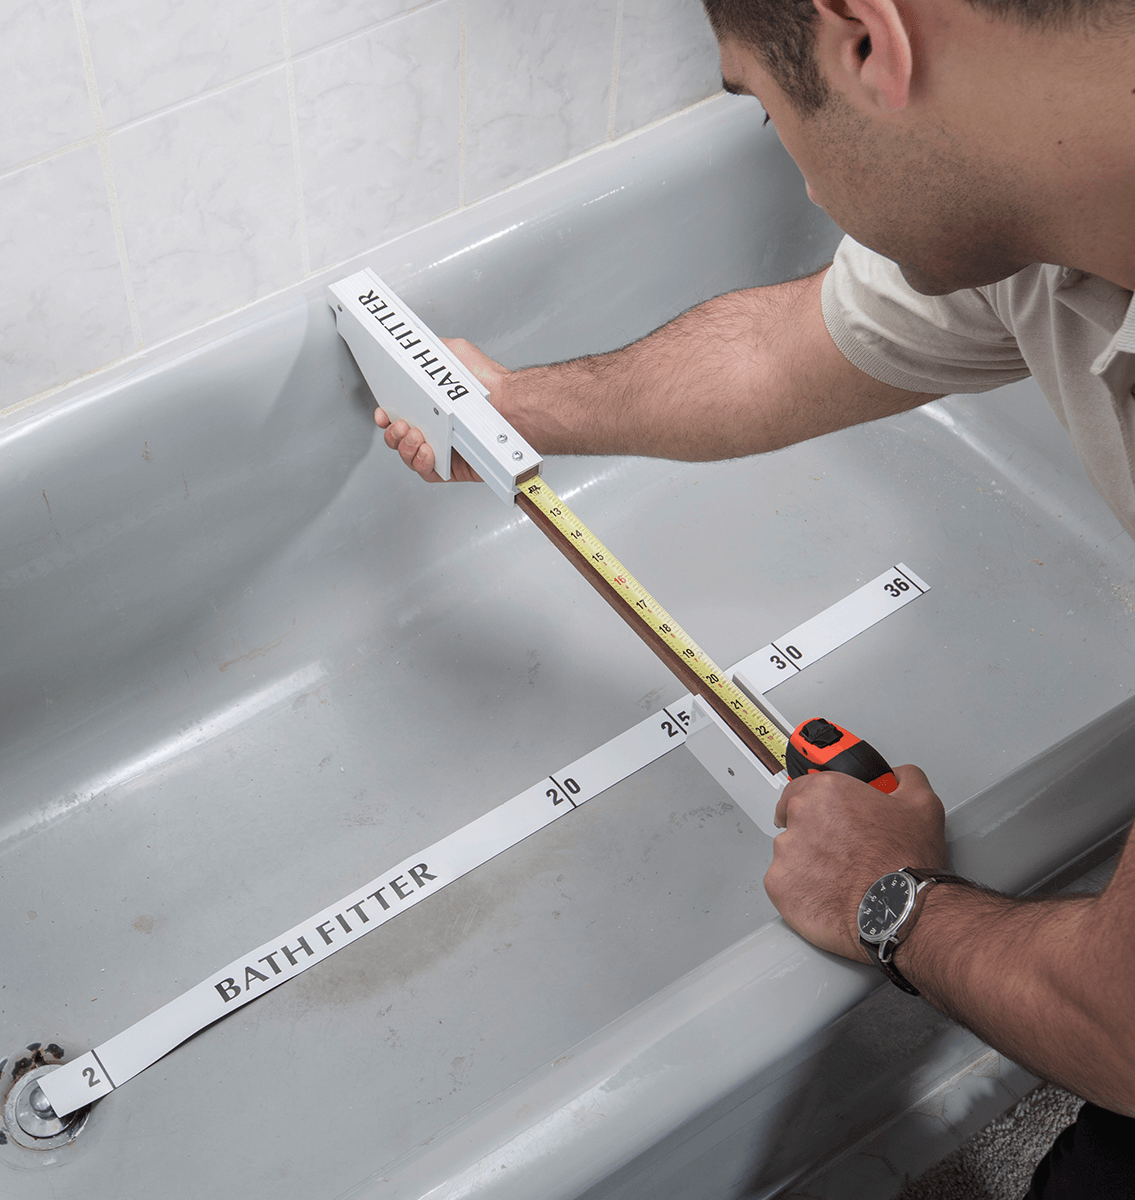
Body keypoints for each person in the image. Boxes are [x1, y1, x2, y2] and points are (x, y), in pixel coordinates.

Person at [375, 0, 1135, 1192]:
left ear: (866, 43)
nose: (795, 168)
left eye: (761, 104)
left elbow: (1121, 1026)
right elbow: (781, 356)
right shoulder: (1053, 202)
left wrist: (885, 896)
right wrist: (515, 409)